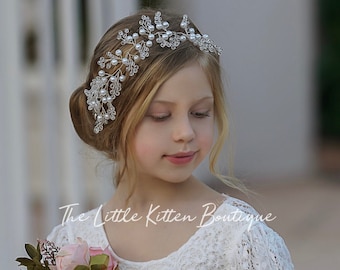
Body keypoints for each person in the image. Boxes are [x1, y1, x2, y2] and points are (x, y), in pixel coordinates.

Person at [47, 8, 294, 269]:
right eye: (160, 116)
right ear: (114, 121)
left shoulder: (240, 240)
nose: (185, 132)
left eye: (200, 113)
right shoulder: (69, 243)